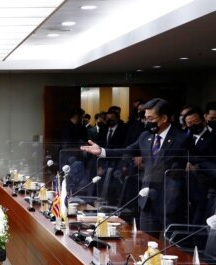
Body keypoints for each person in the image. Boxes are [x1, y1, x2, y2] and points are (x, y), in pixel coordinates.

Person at [80, 98, 194, 237]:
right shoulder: (145, 136)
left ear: (164, 118)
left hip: (170, 201)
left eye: (151, 118)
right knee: (146, 242)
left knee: (172, 248)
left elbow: (197, 162)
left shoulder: (182, 139)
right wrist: (103, 151)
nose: (147, 122)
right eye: (145, 118)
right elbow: (128, 150)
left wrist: (192, 166)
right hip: (147, 201)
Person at [184, 107, 216, 224]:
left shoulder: (213, 137)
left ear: (203, 120)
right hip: (190, 186)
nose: (193, 125)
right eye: (189, 123)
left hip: (207, 187)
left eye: (195, 122)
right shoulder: (186, 139)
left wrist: (197, 166)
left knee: (201, 220)